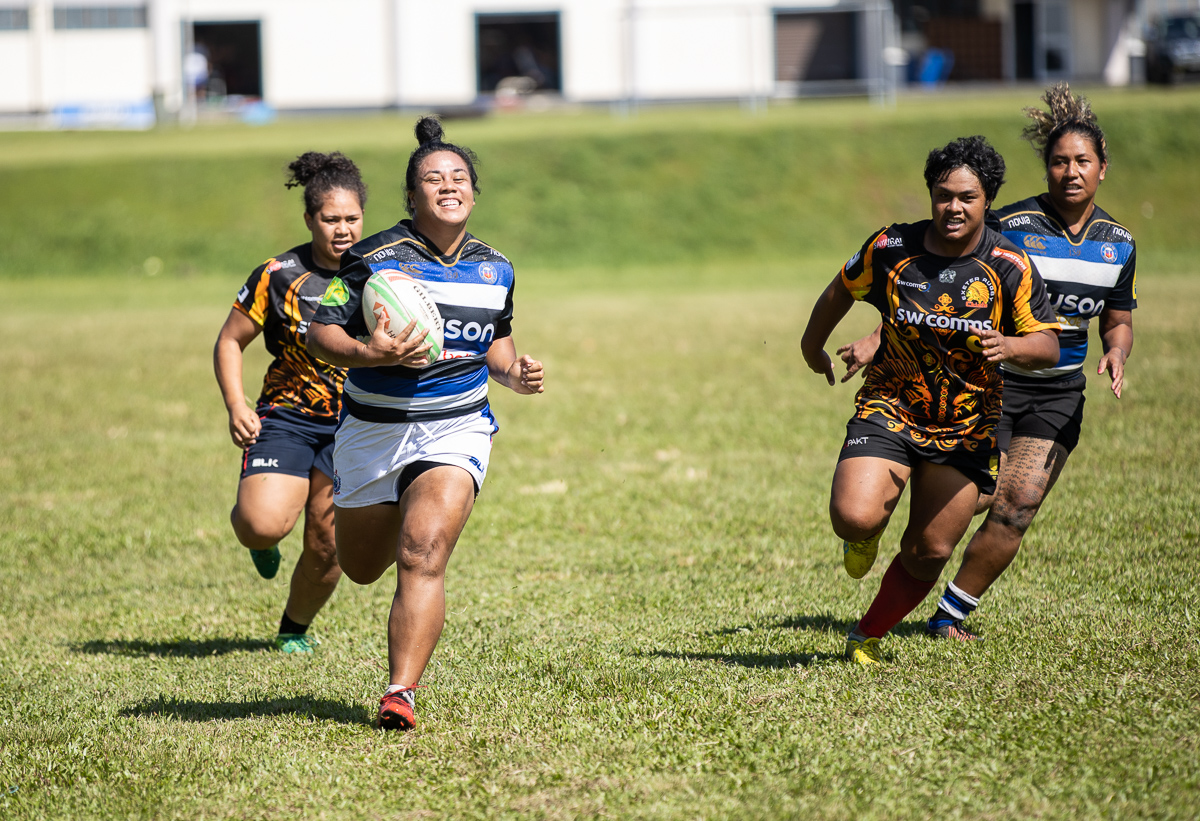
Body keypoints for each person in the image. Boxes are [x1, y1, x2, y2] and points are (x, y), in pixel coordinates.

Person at [307, 117, 544, 730]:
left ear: (473, 193)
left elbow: (496, 337)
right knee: (361, 566)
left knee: (423, 552)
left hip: (457, 427)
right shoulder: (371, 259)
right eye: (433, 178)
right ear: (412, 196)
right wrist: (369, 354)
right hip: (372, 432)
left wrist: (513, 372)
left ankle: (400, 693)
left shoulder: (498, 268)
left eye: (459, 177)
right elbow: (320, 331)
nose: (448, 185)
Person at [800, 136, 1060, 666]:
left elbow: (1049, 344)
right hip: (892, 405)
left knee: (931, 550)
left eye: (967, 196)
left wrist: (1011, 345)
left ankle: (868, 634)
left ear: (987, 199)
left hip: (967, 425)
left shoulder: (1009, 265)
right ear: (931, 194)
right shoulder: (892, 247)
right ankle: (864, 536)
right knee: (853, 516)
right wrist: (811, 346)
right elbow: (840, 290)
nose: (954, 208)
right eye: (944, 195)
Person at [213, 151, 367, 653]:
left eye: (351, 218)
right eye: (330, 219)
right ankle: (263, 539)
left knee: (328, 543)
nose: (342, 229)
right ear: (309, 219)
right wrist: (237, 404)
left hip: (356, 424)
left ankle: (293, 629)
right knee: (261, 525)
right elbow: (230, 341)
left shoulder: (381, 276)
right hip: (288, 416)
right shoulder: (278, 274)